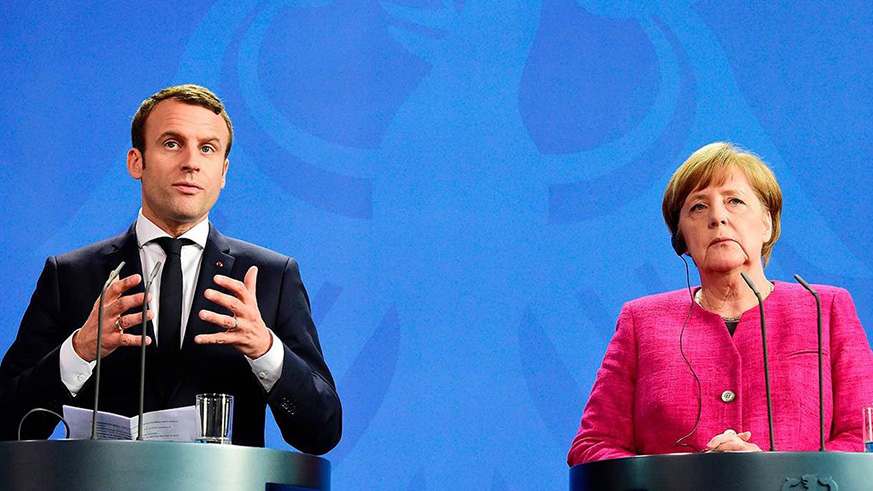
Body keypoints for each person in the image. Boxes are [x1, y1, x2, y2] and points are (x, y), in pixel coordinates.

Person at [0, 85, 341, 454]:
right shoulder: (70, 276)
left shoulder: (271, 277)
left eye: (207, 148)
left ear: (223, 172)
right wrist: (79, 351)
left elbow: (321, 432)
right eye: (172, 144)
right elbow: (6, 424)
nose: (191, 162)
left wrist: (266, 351)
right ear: (137, 162)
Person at [567, 142, 873, 465]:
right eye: (698, 207)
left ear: (766, 224)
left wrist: (771, 474)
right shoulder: (641, 322)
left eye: (735, 201)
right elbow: (592, 447)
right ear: (681, 238)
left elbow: (862, 438)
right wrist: (685, 477)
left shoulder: (825, 309)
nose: (718, 217)